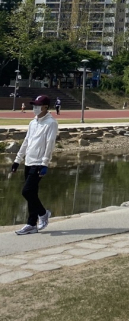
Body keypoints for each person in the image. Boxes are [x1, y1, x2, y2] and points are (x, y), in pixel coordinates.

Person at [10, 95, 58, 235]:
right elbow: (26, 141)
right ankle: (31, 224)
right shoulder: (33, 123)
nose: (35, 108)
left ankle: (43, 214)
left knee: (27, 191)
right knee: (32, 193)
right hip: (29, 161)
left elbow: (50, 144)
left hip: (39, 163)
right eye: (34, 105)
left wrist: (45, 164)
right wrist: (17, 160)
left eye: (38, 105)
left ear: (45, 107)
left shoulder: (51, 123)